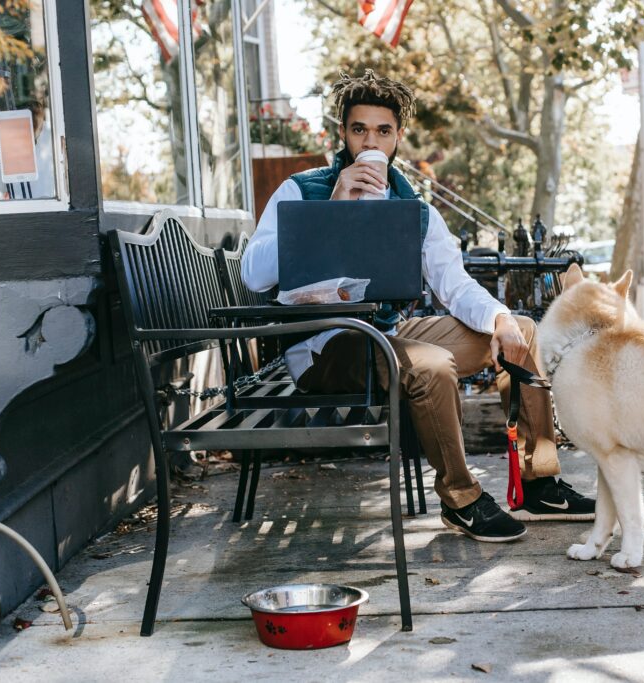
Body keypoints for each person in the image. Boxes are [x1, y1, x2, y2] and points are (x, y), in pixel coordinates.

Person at [242, 70, 594, 542]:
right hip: (322, 345)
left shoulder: (414, 208)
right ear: (342, 133)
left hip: (386, 335)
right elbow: (253, 274)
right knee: (431, 365)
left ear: (397, 138)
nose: (370, 140)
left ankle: (538, 483)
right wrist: (333, 208)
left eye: (382, 131)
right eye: (359, 129)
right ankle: (461, 498)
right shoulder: (301, 191)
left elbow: (454, 283)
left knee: (521, 331)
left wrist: (500, 319)